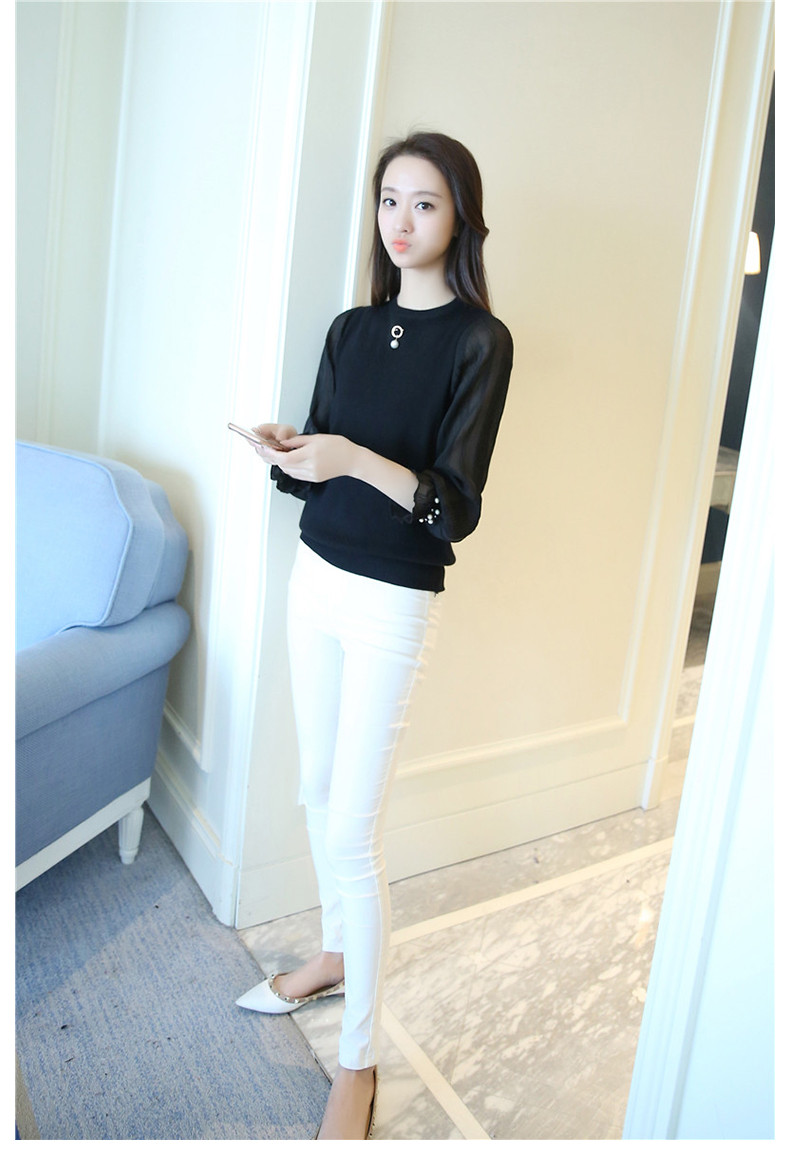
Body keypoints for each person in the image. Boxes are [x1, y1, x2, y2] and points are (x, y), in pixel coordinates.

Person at [235, 132, 513, 1140]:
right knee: (316, 790)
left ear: (460, 217)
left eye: (424, 203)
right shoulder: (351, 328)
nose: (401, 221)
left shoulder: (481, 342)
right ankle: (335, 954)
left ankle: (358, 1059)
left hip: (393, 600)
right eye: (389, 199)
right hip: (315, 576)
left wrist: (352, 456)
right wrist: (293, 452)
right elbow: (322, 465)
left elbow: (452, 508)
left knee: (353, 831)